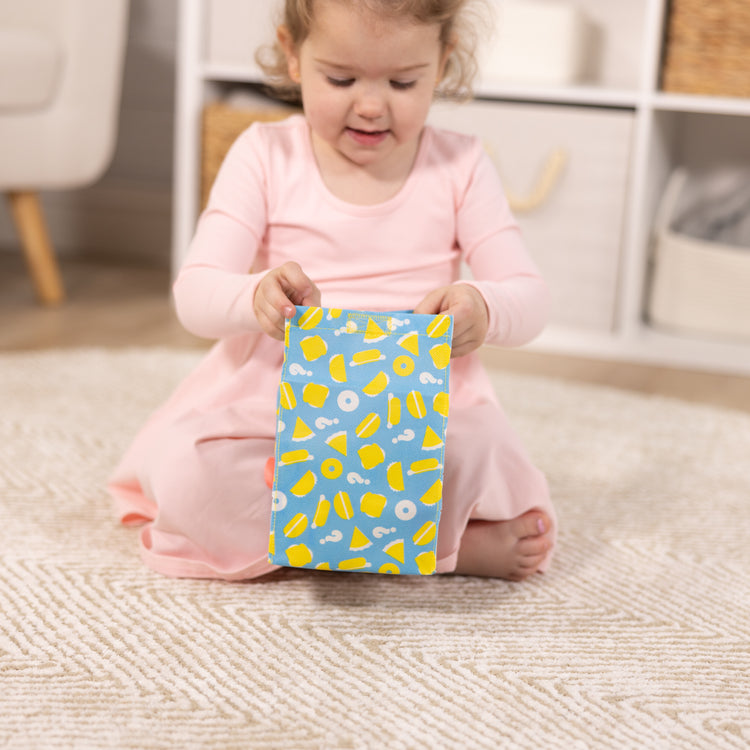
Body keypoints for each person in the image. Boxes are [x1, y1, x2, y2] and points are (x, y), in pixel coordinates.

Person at [108, 0, 556, 581]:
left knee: (481, 448)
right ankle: (440, 546)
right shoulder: (264, 155)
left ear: (442, 63)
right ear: (293, 57)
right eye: (340, 78)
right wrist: (255, 297)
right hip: (283, 394)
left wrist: (484, 307)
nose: (370, 105)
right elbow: (194, 293)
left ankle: (368, 536)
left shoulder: (461, 164)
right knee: (190, 470)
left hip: (414, 400)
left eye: (403, 81)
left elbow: (530, 294)